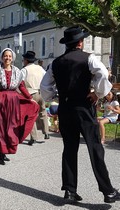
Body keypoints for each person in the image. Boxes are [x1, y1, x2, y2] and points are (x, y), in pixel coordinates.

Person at [40, 26, 120, 203]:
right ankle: (108, 191)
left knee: (69, 148)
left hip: (65, 109)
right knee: (95, 148)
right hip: (84, 107)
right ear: (80, 42)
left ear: (67, 44)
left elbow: (45, 87)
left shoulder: (56, 63)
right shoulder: (89, 58)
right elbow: (103, 74)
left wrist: (55, 95)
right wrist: (97, 93)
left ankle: (69, 189)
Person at [0, 48, 39, 165]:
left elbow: (21, 87)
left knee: (10, 127)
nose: (8, 58)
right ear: (2, 57)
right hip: (0, 100)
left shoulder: (17, 71)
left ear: (13, 58)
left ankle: (4, 151)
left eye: (10, 56)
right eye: (6, 56)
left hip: (12, 102)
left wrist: (30, 99)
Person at [22, 51, 50, 145]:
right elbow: (46, 78)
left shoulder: (24, 70)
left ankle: (33, 137)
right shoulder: (40, 68)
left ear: (26, 60)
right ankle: (46, 132)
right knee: (43, 112)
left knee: (31, 115)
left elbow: (20, 83)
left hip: (31, 93)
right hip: (40, 92)